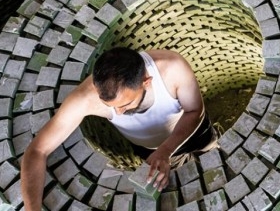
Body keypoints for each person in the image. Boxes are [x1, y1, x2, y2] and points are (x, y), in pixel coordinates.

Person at [20, 48, 217, 210]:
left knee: (213, 156)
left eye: (126, 104)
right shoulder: (86, 98)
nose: (119, 113)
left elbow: (194, 110)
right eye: (110, 106)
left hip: (193, 131)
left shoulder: (172, 68)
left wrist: (165, 150)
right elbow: (37, 150)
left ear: (146, 82)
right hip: (148, 149)